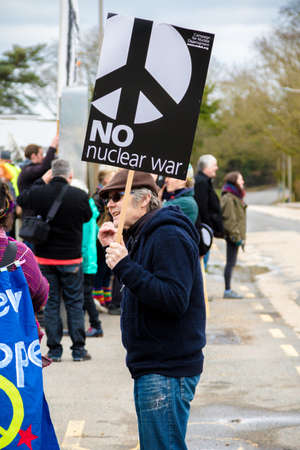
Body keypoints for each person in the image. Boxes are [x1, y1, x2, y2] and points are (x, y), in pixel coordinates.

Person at [98, 169, 206, 450]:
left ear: (144, 200)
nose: (110, 204)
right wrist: (115, 247)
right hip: (153, 364)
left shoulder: (167, 234)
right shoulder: (143, 234)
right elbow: (144, 283)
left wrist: (124, 265)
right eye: (106, 199)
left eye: (117, 196)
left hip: (167, 368)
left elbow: (173, 299)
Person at [17, 159, 92, 362]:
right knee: (75, 303)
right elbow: (87, 217)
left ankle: (54, 350)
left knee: (50, 304)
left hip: (45, 258)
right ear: (69, 175)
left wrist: (41, 181)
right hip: (71, 259)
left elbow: (21, 199)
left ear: (51, 173)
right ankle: (78, 350)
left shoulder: (40, 192)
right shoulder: (79, 195)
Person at [194, 154, 224, 267]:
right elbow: (202, 209)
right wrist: (208, 228)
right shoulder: (201, 182)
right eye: (214, 165)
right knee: (202, 265)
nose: (217, 168)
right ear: (206, 167)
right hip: (203, 232)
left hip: (205, 230)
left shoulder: (205, 181)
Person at [220, 171, 247, 299]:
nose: (243, 182)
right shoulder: (229, 198)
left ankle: (228, 289)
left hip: (235, 236)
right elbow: (229, 221)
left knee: (231, 262)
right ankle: (227, 290)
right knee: (230, 263)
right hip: (232, 236)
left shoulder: (235, 196)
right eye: (241, 180)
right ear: (235, 181)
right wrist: (237, 238)